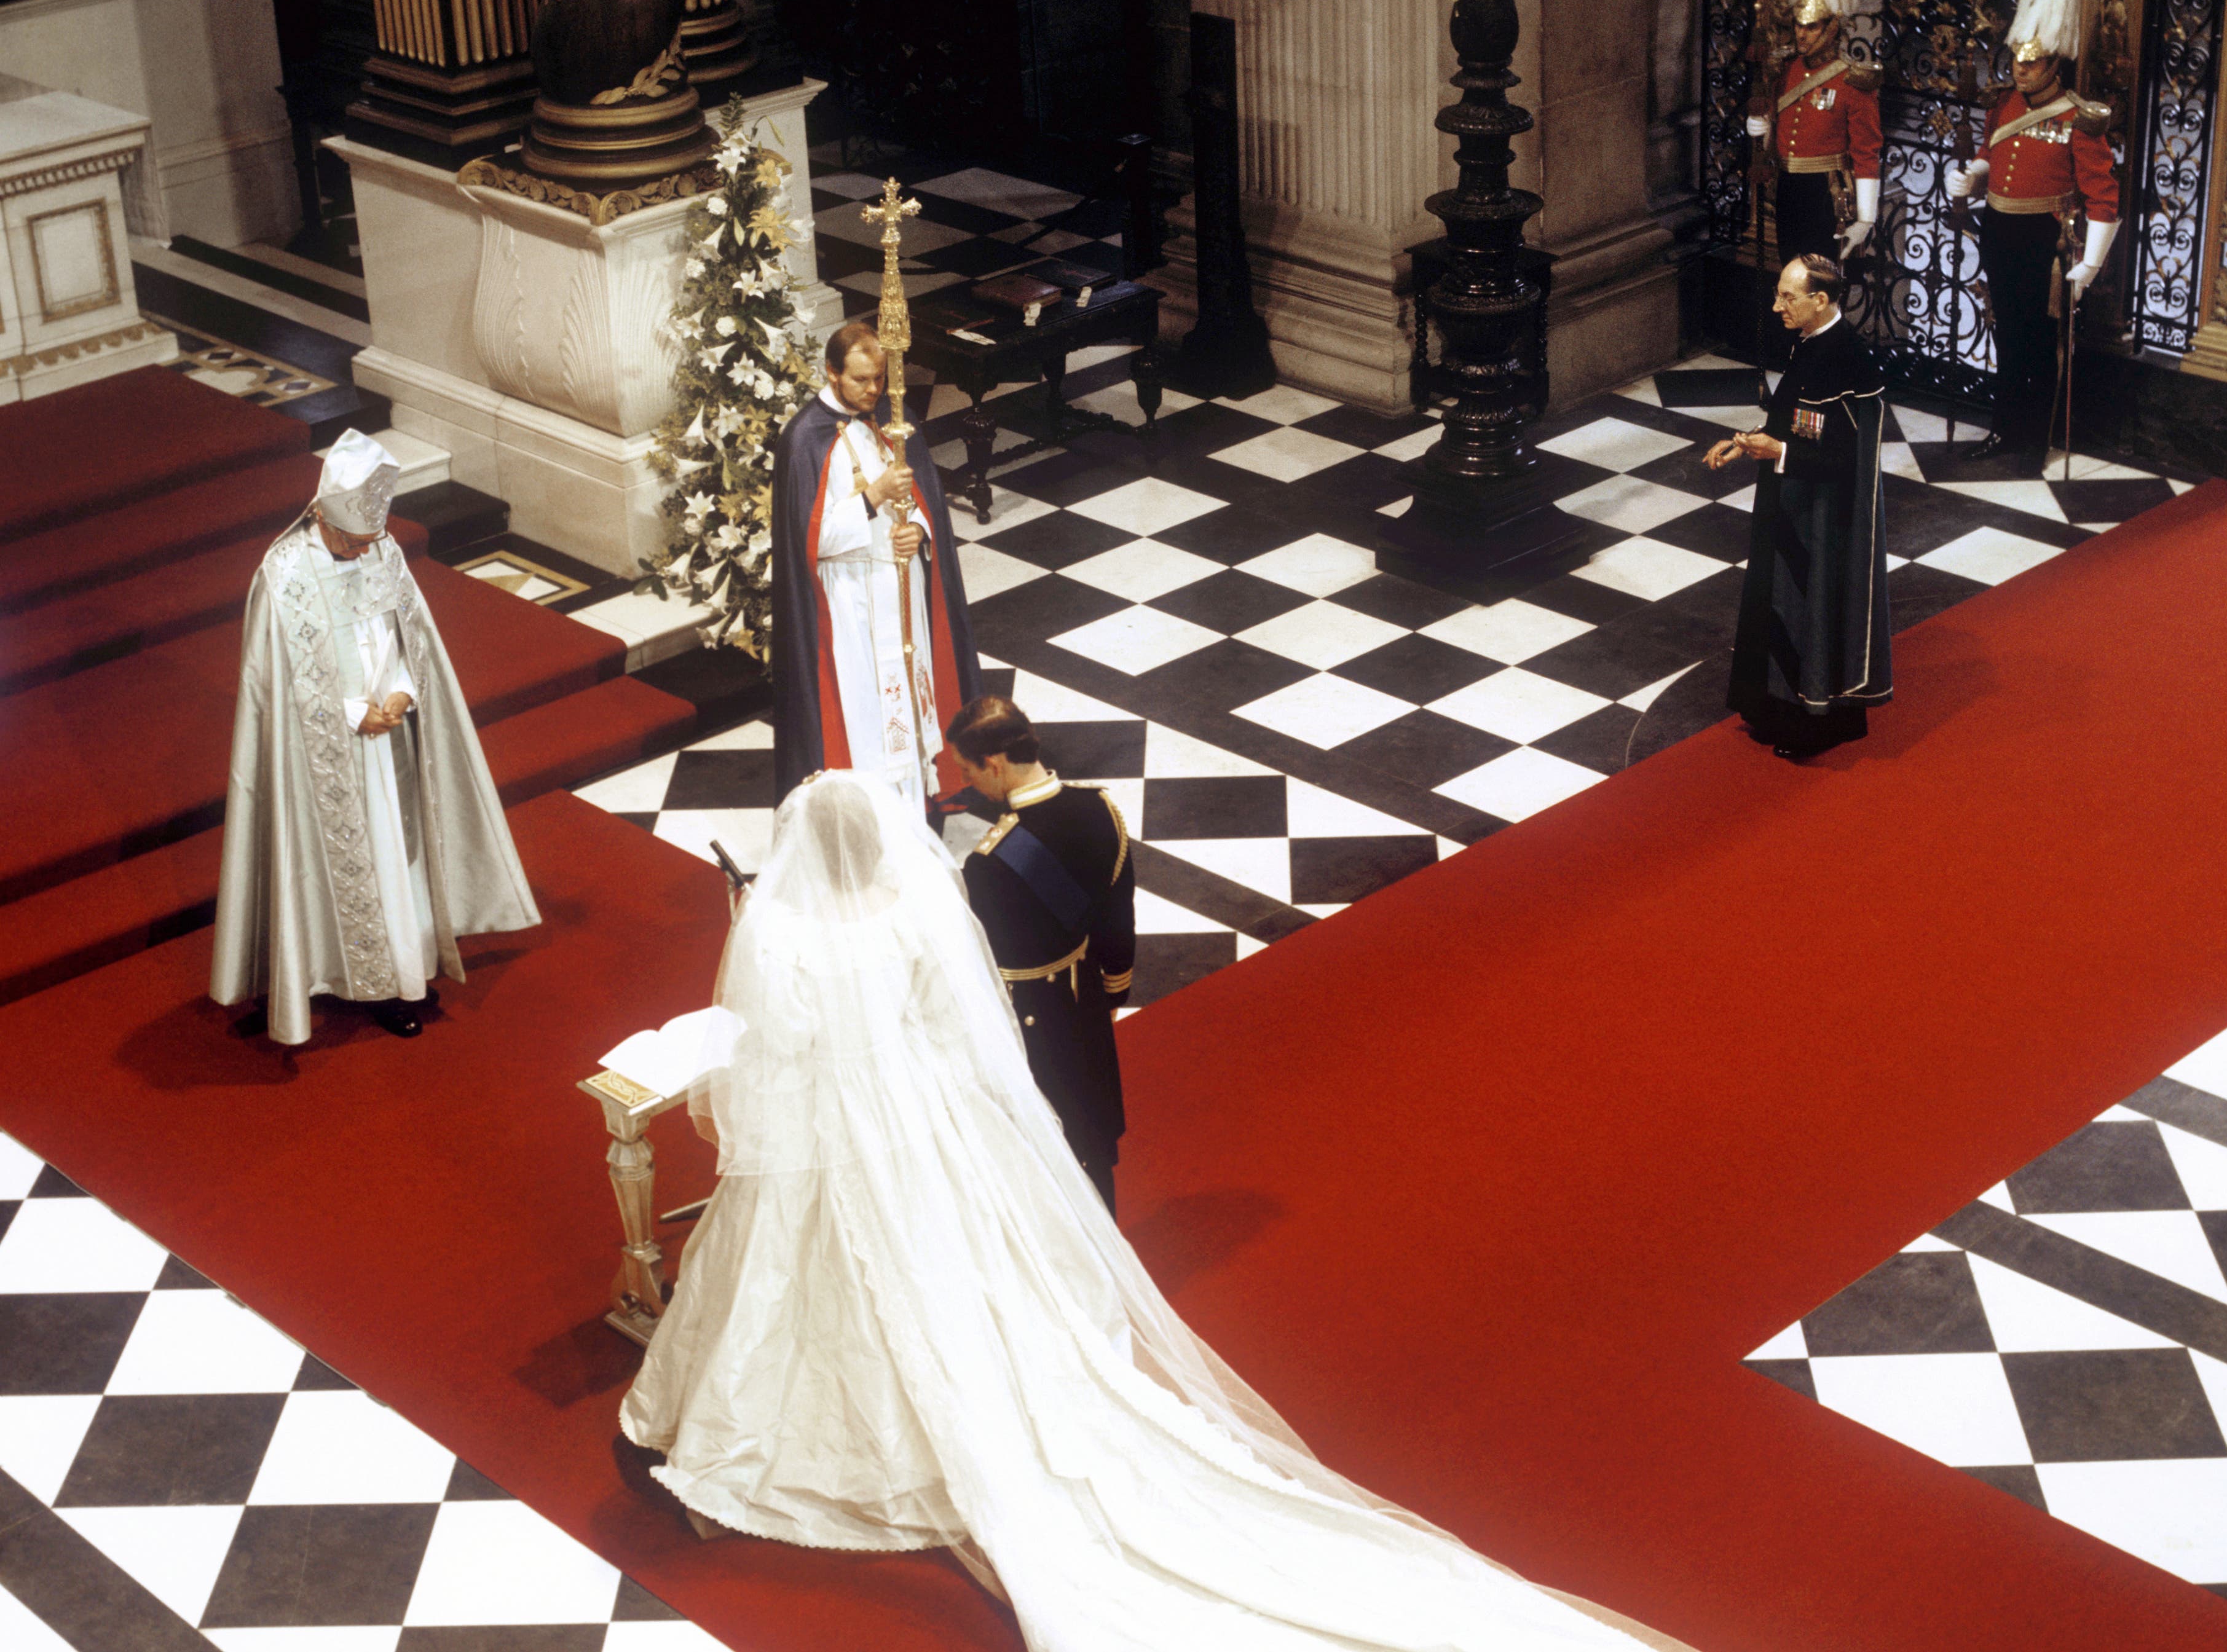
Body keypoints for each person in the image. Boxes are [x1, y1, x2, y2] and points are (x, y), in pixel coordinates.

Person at [620, 771, 1683, 1652]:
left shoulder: (779, 923)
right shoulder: (913, 906)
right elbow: (957, 1023)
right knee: (962, 1270)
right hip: (934, 1120)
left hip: (835, 1125)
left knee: (803, 1273)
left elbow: (768, 1044)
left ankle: (829, 1433)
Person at [210, 430, 540, 1043]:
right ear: (322, 516)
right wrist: (347, 711)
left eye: (371, 541)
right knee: (316, 862)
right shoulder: (284, 575)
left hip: (388, 745)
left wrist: (402, 693)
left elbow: (403, 638)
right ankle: (316, 973)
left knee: (396, 856)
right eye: (354, 541)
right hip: (318, 757)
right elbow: (274, 683)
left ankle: (398, 975)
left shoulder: (382, 550)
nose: (365, 554)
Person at [768, 320, 981, 808]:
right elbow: (810, 539)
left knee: (911, 693)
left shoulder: (892, 418)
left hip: (899, 584)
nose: (872, 390)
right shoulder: (804, 438)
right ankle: (875, 808)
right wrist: (873, 497)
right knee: (867, 707)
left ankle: (917, 796)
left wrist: (918, 533)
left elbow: (926, 503)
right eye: (861, 380)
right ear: (831, 373)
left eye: (879, 379)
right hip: (849, 598)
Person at [947, 696, 1133, 1214]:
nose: (968, 782)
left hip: (1031, 1018)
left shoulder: (991, 862)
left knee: (1046, 1154)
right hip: (1088, 999)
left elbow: (987, 970)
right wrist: (1111, 991)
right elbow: (1118, 916)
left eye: (968, 770)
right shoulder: (1101, 808)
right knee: (1091, 1142)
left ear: (996, 764)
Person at [1706, 254, 1892, 760]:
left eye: (1787, 297)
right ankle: (1770, 710)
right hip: (1788, 502)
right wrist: (1746, 443)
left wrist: (1780, 451)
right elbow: (1798, 422)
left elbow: (1849, 457)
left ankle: (1816, 724)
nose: (1775, 307)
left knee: (1810, 612)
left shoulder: (1849, 361)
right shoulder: (1810, 344)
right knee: (1774, 603)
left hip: (1824, 518)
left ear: (1821, 300)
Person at [1941, 0, 2117, 466]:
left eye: (2031, 61)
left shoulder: (2078, 119)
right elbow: (1988, 154)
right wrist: (1973, 177)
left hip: (2045, 241)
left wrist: (2090, 265)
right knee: (2006, 336)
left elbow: (2103, 198)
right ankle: (2003, 428)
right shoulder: (2003, 105)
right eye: (2017, 58)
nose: (2019, 67)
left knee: (2040, 343)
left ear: (2053, 64)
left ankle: (2033, 442)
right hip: (1999, 231)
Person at [1744, 0, 1882, 265]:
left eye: (1811, 27)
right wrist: (1762, 129)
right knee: (1790, 270)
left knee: (1820, 281)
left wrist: (1866, 219)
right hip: (1787, 188)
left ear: (1832, 27)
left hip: (1825, 194)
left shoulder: (1853, 82)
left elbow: (1866, 153)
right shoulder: (1785, 69)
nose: (1801, 34)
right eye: (1798, 25)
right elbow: (1776, 124)